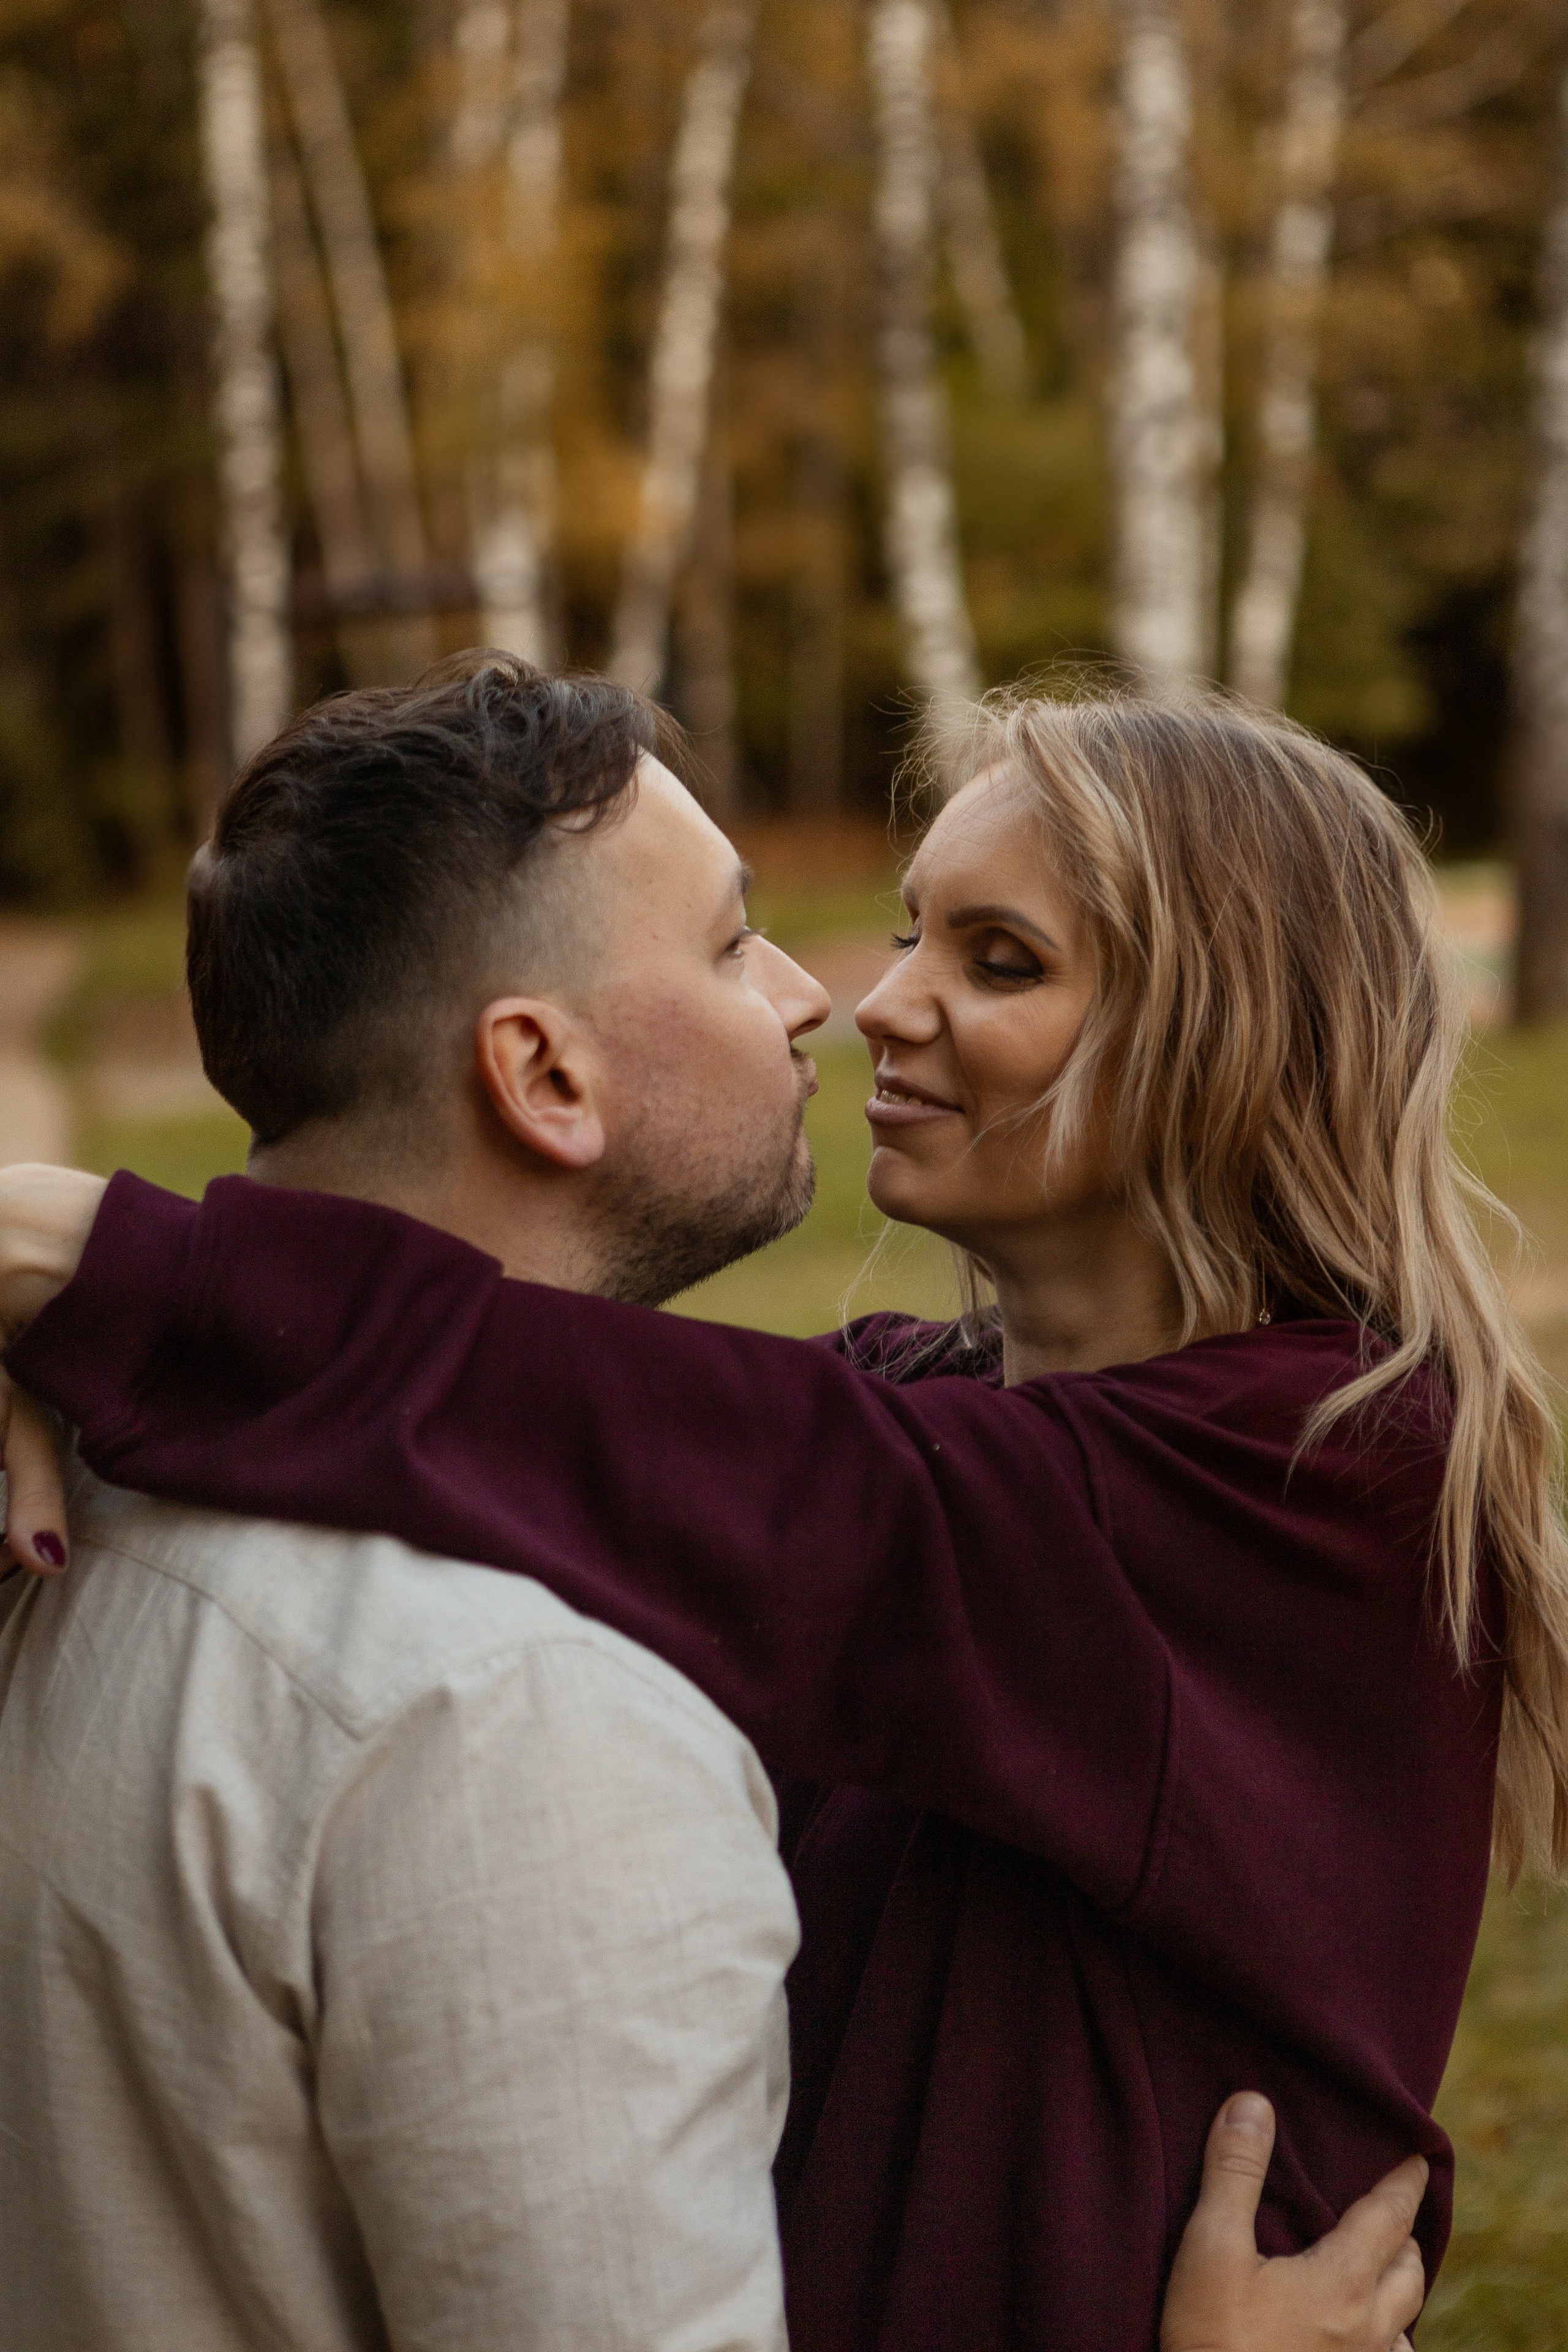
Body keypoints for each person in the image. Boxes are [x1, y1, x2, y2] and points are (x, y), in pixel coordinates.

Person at [6, 659, 1529, 2345]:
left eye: (999, 961)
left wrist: (115, 1275)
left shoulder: (1328, 1472)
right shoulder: (934, 1412)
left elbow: (781, 1486)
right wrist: (64, 1386)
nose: (877, 1003)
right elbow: (619, 1439)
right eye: (913, 931)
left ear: (1228, 1043)